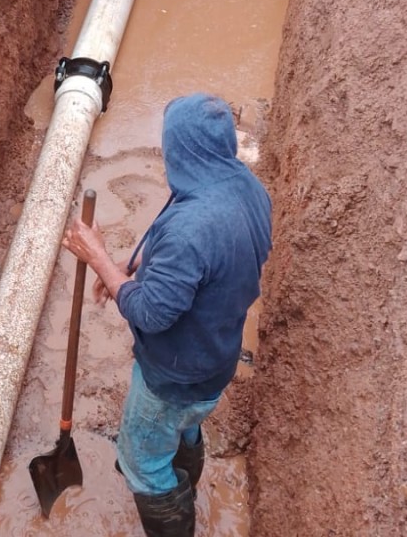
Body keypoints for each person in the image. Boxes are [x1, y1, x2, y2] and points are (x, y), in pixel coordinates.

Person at [62, 93, 272, 537]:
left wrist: (99, 258)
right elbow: (199, 260)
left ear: (183, 150)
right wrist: (133, 266)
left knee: (141, 462)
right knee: (186, 425)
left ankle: (165, 498)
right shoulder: (245, 188)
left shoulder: (192, 231)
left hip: (174, 379)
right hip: (216, 358)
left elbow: (151, 312)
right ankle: (185, 474)